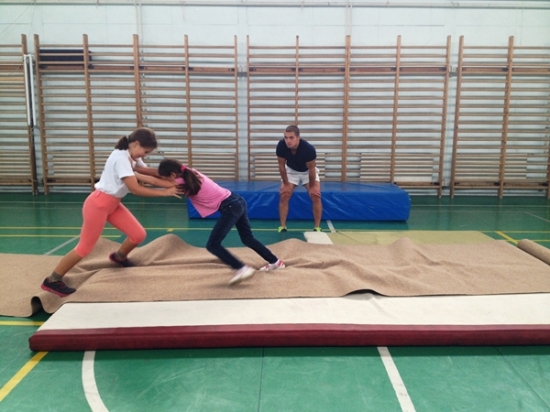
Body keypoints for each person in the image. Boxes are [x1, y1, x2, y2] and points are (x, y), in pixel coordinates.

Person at [41, 127, 182, 297]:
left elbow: (146, 172)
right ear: (136, 144)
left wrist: (171, 177)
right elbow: (135, 189)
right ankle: (53, 280)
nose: (144, 156)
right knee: (84, 248)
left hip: (113, 204)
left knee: (138, 235)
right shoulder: (121, 159)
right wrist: (164, 192)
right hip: (98, 205)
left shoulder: (131, 155)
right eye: (145, 152)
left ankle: (119, 257)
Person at [157, 159, 285, 285]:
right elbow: (155, 173)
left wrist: (142, 175)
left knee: (213, 245)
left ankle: (241, 268)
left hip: (230, 207)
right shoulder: (189, 171)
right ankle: (275, 262)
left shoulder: (181, 182)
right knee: (247, 238)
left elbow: (155, 181)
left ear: (173, 175)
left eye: (166, 178)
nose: (166, 180)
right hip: (237, 200)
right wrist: (142, 170)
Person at [276, 125, 323, 232]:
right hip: (291, 170)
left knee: (315, 195)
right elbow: (281, 166)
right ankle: (283, 226)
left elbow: (312, 169)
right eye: (286, 137)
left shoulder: (308, 149)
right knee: (284, 194)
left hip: (307, 171)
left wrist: (312, 187)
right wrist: (286, 184)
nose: (288, 141)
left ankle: (317, 227)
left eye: (291, 137)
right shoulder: (281, 146)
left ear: (298, 137)